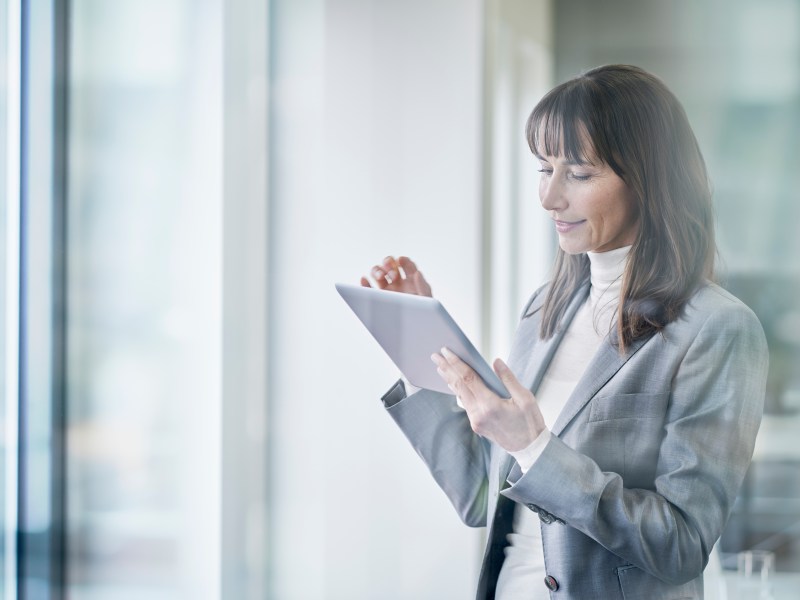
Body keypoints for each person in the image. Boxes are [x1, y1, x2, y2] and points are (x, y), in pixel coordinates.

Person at [360, 64, 768, 599]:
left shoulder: (719, 329)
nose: (549, 198)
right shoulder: (543, 311)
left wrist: (535, 446)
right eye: (544, 168)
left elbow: (681, 544)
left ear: (649, 179)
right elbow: (480, 498)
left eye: (578, 174)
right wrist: (417, 348)